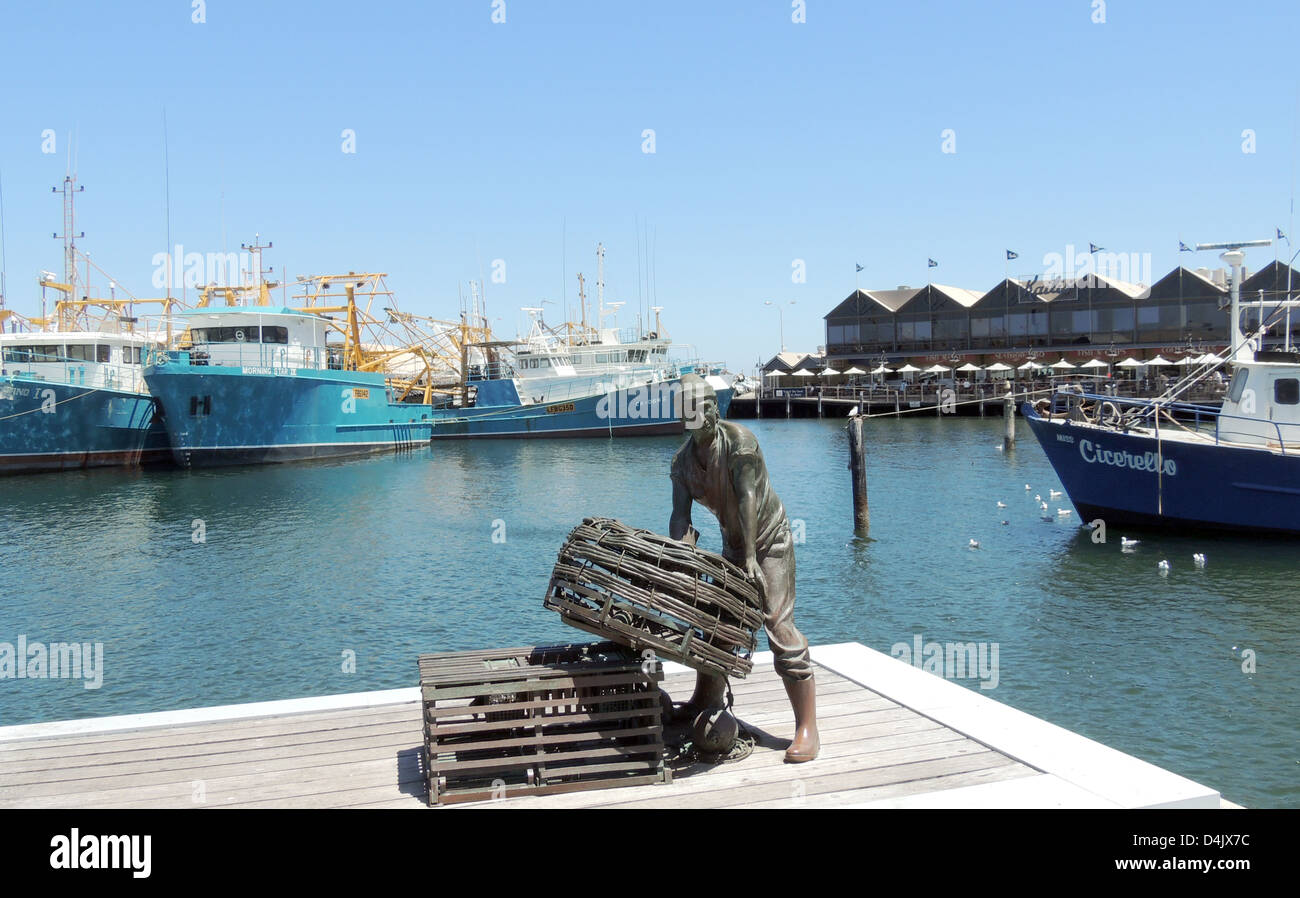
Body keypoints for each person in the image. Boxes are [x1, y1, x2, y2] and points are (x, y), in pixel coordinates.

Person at [667, 373, 819, 763]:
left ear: (713, 410)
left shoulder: (741, 444)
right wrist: (682, 556)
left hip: (768, 540)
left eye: (698, 407)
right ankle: (706, 698)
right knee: (716, 618)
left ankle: (806, 728)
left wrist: (751, 556)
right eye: (685, 409)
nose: (693, 416)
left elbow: (747, 498)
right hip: (735, 544)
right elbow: (679, 517)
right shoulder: (682, 464)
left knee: (777, 624)